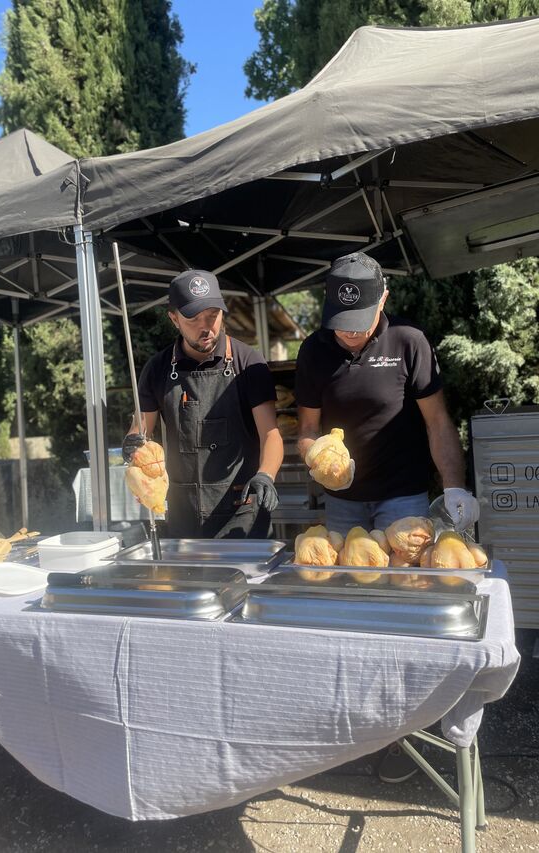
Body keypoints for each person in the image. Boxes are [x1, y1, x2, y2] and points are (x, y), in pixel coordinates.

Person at [295, 251, 480, 782]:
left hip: (403, 499)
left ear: (384, 301)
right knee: (346, 609)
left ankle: (403, 734)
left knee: (401, 611)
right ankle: (349, 728)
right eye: (340, 323)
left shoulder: (408, 343)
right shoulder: (314, 351)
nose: (349, 334)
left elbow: (438, 423)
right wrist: (317, 460)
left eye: (359, 323)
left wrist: (454, 488)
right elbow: (306, 431)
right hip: (343, 500)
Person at [123, 269, 283, 539]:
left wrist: (266, 475)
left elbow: (271, 434)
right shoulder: (157, 369)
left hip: (242, 510)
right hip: (183, 513)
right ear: (174, 319)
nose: (205, 326)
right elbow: (140, 431)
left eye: (212, 315)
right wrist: (132, 449)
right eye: (193, 318)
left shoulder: (248, 362)